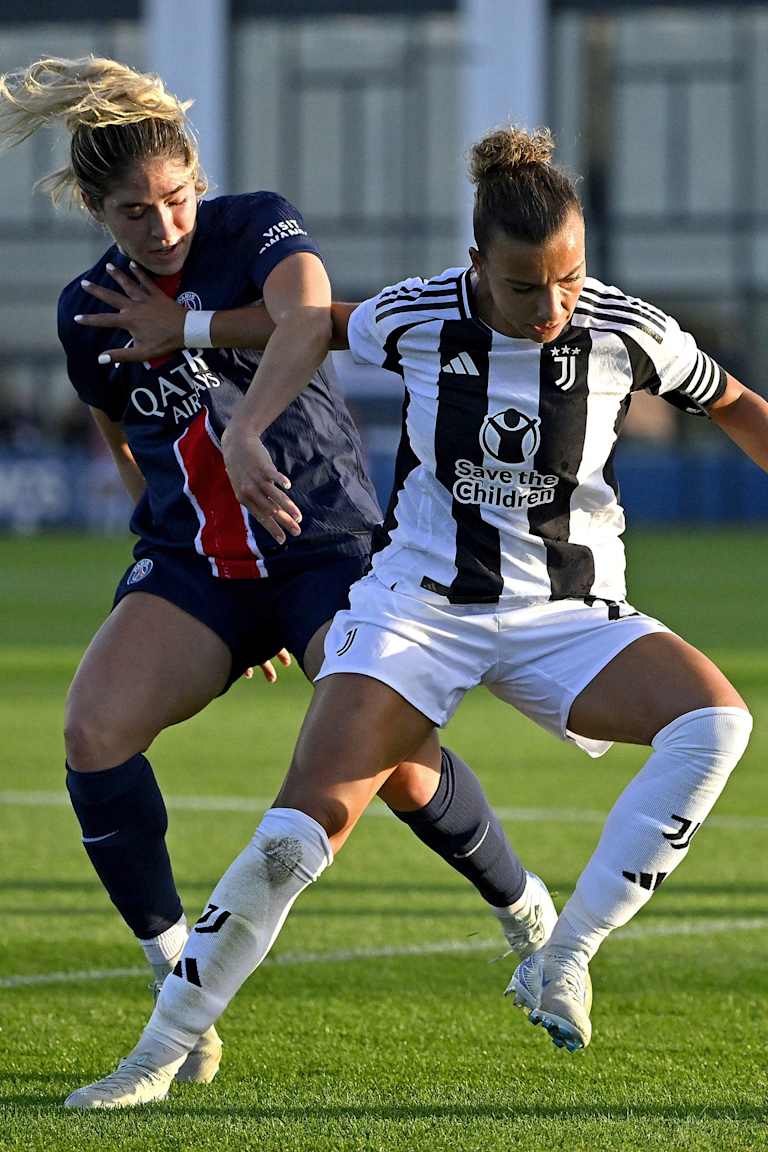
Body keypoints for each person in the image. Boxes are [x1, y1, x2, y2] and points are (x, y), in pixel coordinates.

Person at [61, 119, 763, 1108]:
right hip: (418, 609)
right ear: (476, 266)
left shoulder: (627, 328)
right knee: (294, 836)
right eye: (525, 287)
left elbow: (731, 398)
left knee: (716, 721)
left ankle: (565, 952)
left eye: (569, 279)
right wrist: (193, 336)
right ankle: (156, 1055)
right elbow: (313, 323)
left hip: (568, 613)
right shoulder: (423, 311)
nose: (552, 306)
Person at [0, 59, 558, 1090]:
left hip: (325, 544)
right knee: (91, 732)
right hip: (197, 569)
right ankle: (179, 986)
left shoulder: (254, 224)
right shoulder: (87, 314)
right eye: (134, 212)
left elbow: (310, 323)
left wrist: (248, 427)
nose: (162, 225)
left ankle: (527, 913)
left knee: (392, 763)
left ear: (198, 183)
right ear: (93, 209)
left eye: (175, 200)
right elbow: (127, 439)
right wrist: (166, 569)